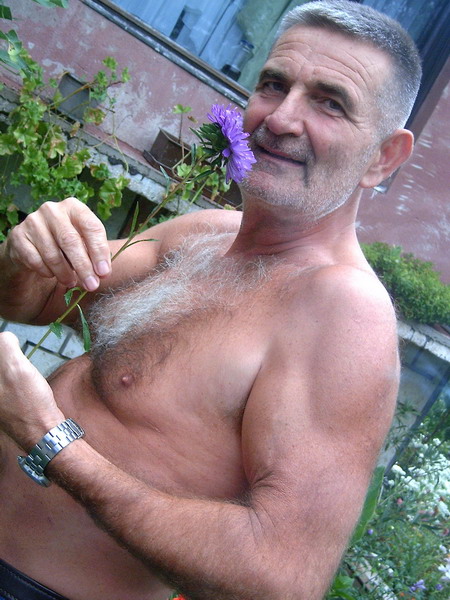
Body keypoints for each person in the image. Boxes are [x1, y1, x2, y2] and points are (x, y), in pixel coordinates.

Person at [0, 1, 422, 599]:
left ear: (383, 157)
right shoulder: (201, 236)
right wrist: (24, 254)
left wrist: (49, 442)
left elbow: (282, 576)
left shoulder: (344, 313)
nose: (281, 119)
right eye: (273, 85)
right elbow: (33, 301)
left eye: (330, 103)